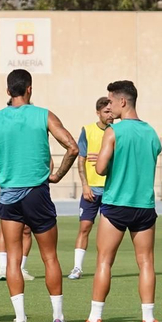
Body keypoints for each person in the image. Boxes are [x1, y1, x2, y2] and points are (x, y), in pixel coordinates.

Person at [0, 69, 80, 322]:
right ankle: (59, 318)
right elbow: (72, 146)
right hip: (38, 193)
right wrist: (58, 175)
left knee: (13, 260)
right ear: (30, 88)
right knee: (50, 257)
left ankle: (21, 319)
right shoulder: (44, 115)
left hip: (9, 196)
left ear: (8, 91)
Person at [78, 81, 162, 322]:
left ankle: (95, 319)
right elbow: (150, 155)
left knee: (104, 261)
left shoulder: (113, 132)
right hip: (144, 206)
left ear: (123, 102)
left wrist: (104, 160)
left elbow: (100, 168)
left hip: (117, 203)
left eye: (110, 101)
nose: (109, 105)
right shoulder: (151, 132)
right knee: (146, 262)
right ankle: (149, 319)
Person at [70, 96, 115, 280]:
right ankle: (77, 268)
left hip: (111, 190)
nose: (110, 115)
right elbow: (81, 160)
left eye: (111, 112)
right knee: (85, 228)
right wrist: (85, 185)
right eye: (106, 112)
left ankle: (102, 267)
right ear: (98, 112)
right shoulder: (87, 131)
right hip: (91, 190)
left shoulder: (118, 131)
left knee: (106, 232)